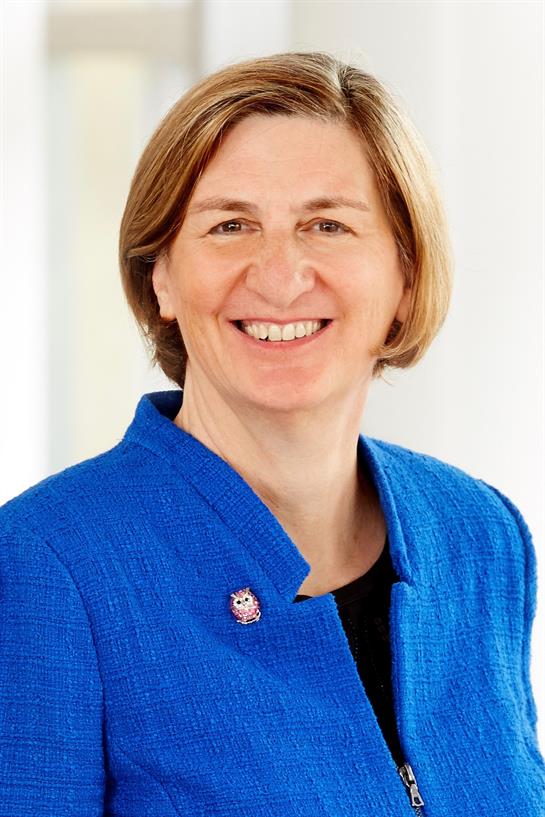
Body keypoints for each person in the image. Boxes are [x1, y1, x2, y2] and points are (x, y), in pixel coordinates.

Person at [0, 51, 543, 817]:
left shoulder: (479, 533)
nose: (280, 274)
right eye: (230, 225)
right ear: (161, 276)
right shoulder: (44, 564)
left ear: (405, 275)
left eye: (327, 224)